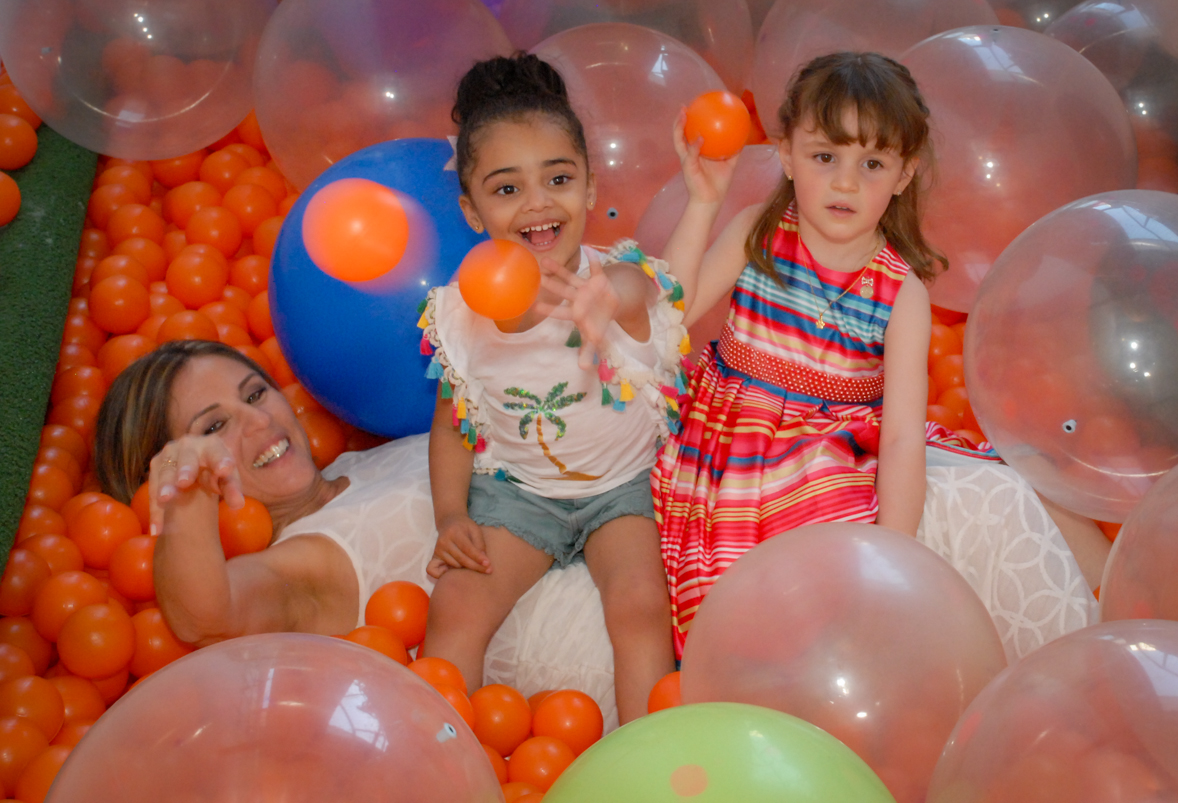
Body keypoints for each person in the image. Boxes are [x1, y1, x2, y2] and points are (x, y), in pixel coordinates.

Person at [654, 52, 1110, 657]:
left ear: (903, 174)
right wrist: (703, 203)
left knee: (1022, 485)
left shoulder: (902, 293)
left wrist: (894, 560)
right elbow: (669, 316)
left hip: (839, 438)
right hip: (736, 435)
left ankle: (1113, 620)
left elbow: (899, 439)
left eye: (872, 163)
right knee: (742, 578)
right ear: (785, 153)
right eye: (825, 157)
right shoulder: (757, 234)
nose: (846, 182)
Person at [94, 340, 624, 728]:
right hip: (622, 663)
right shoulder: (302, 565)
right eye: (213, 428)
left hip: (642, 551)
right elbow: (202, 618)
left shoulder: (363, 458)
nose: (257, 423)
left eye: (255, 395)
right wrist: (186, 496)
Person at [418, 53, 681, 722]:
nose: (537, 203)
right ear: (471, 209)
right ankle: (444, 757)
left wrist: (605, 297)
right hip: (518, 496)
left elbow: (638, 290)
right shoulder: (460, 311)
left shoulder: (614, 275)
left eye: (558, 178)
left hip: (623, 488)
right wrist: (452, 514)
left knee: (641, 605)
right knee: (456, 603)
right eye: (506, 190)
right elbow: (454, 421)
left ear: (590, 188)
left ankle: (647, 753)